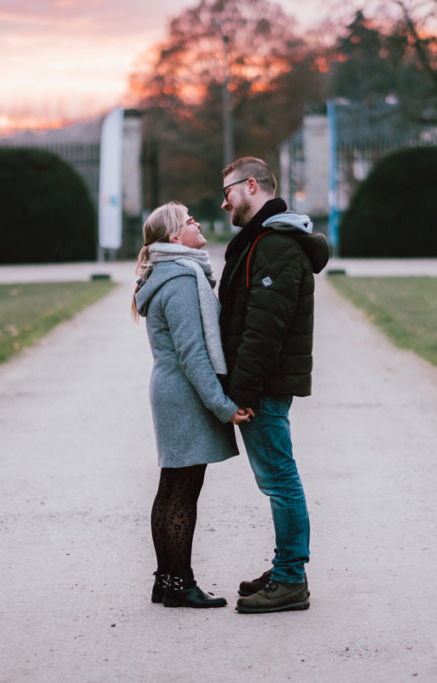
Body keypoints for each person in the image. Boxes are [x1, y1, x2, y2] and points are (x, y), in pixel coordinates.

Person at [218, 156, 330, 613]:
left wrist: (239, 395)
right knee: (277, 477)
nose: (223, 201)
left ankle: (290, 578)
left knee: (280, 479)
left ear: (250, 186)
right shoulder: (265, 239)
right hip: (261, 383)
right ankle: (286, 566)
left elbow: (264, 330)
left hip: (262, 385)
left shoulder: (276, 245)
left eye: (227, 190)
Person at [132, 201, 250, 609]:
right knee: (182, 490)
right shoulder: (182, 279)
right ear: (172, 238)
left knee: (172, 488)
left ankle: (166, 581)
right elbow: (193, 354)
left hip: (173, 390)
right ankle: (179, 583)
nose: (196, 223)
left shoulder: (172, 273)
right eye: (188, 221)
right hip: (184, 393)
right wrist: (222, 405)